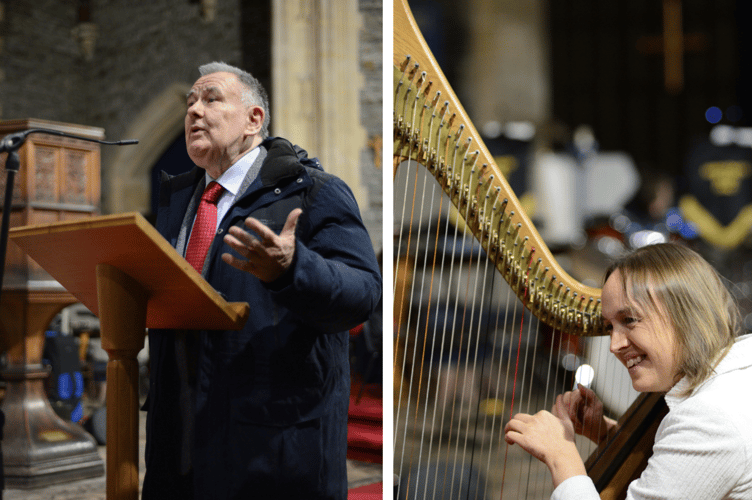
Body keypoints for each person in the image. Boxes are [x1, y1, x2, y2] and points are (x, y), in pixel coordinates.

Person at [142, 61, 382, 499]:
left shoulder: (313, 191)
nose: (194, 110)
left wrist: (294, 270)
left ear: (254, 120)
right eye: (190, 102)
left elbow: (363, 293)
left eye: (211, 98)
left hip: (273, 447)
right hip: (178, 439)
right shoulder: (178, 202)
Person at [504, 243, 752, 499]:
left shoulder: (709, 419)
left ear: (685, 313)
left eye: (630, 320)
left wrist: (560, 456)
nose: (614, 345)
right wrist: (604, 433)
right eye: (610, 327)